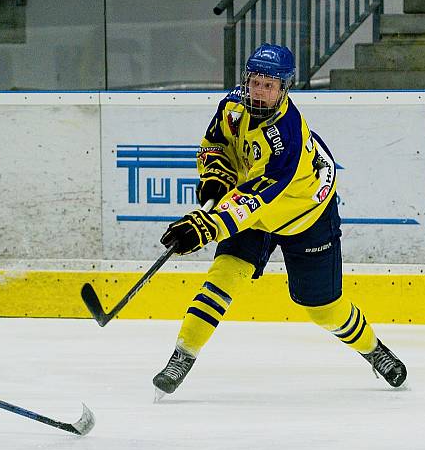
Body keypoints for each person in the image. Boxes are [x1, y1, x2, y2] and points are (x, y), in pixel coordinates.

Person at [152, 43, 407, 397]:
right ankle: (183, 356)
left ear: (284, 88)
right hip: (254, 209)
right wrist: (215, 176)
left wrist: (206, 225)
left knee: (323, 310)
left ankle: (374, 350)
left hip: (304, 214)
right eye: (255, 81)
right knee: (222, 277)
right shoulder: (232, 106)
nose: (259, 91)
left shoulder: (286, 132)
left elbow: (256, 198)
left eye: (269, 85)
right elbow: (215, 145)